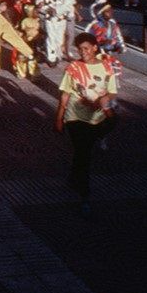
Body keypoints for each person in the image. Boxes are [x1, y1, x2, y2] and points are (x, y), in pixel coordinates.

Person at [54, 33, 118, 214]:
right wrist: (59, 118)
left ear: (95, 48)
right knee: (84, 154)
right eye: (80, 49)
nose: (83, 52)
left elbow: (112, 92)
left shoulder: (106, 67)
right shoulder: (73, 68)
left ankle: (74, 177)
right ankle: (85, 195)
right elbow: (65, 94)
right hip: (75, 117)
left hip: (96, 118)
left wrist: (105, 98)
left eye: (87, 48)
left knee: (83, 151)